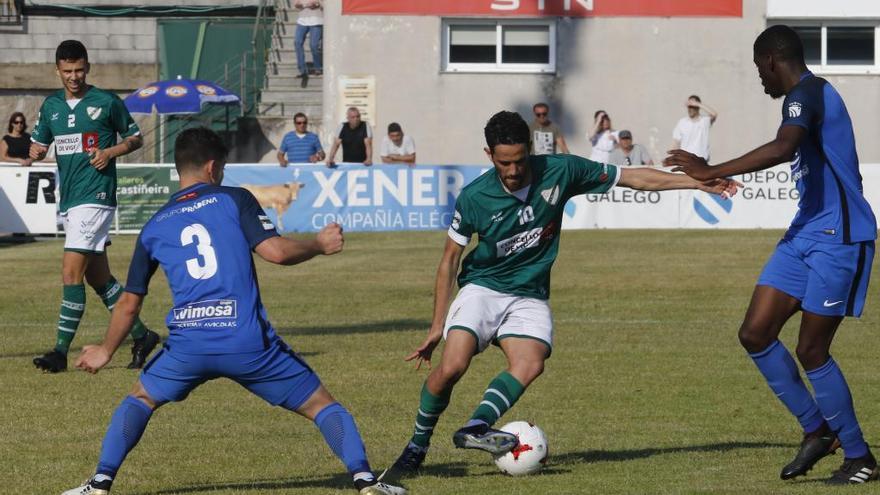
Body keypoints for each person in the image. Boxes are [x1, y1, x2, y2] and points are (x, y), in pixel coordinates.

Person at [60, 127, 406, 495]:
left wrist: (104, 350)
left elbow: (129, 303)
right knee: (323, 406)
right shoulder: (233, 199)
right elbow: (276, 252)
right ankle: (366, 482)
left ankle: (99, 485)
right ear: (212, 167)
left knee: (140, 399)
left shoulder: (154, 225)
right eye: (221, 168)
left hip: (189, 346)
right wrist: (319, 244)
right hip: (246, 342)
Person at [389, 110, 739, 474]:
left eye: (520, 161)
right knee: (452, 366)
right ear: (489, 154)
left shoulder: (561, 171)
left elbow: (634, 178)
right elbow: (449, 260)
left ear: (529, 151)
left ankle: (476, 426)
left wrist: (698, 183)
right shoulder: (475, 197)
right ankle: (417, 445)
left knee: (530, 362)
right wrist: (436, 325)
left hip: (529, 293)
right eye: (504, 162)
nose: (512, 171)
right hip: (483, 287)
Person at [665, 25, 877, 485]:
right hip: (804, 233)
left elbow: (785, 147)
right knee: (755, 333)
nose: (760, 79)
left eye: (759, 69)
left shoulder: (808, 93)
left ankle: (858, 456)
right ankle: (817, 430)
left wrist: (710, 169)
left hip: (840, 237)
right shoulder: (801, 96)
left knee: (811, 348)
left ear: (770, 61)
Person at [29, 40, 159, 373]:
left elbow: (135, 138)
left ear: (88, 67)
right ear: (57, 70)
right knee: (98, 278)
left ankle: (59, 352)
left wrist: (110, 152)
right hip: (70, 198)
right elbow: (39, 144)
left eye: (79, 70)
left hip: (96, 196)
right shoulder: (51, 106)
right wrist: (36, 153)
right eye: (68, 71)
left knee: (70, 272)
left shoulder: (106, 102)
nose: (74, 76)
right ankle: (142, 336)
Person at [672, 94, 718, 160]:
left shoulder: (704, 121)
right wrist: (673, 158)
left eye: (692, 106)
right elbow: (676, 142)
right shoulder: (682, 122)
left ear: (698, 107)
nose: (690, 109)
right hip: (685, 160)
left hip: (701, 160)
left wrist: (698, 104)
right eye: (689, 106)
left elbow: (714, 114)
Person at [293, 0, 323, 89]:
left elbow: (326, 5)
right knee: (297, 42)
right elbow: (295, 4)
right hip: (302, 20)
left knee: (313, 45)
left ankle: (317, 67)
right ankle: (302, 70)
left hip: (316, 20)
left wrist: (317, 4)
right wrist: (298, 5)